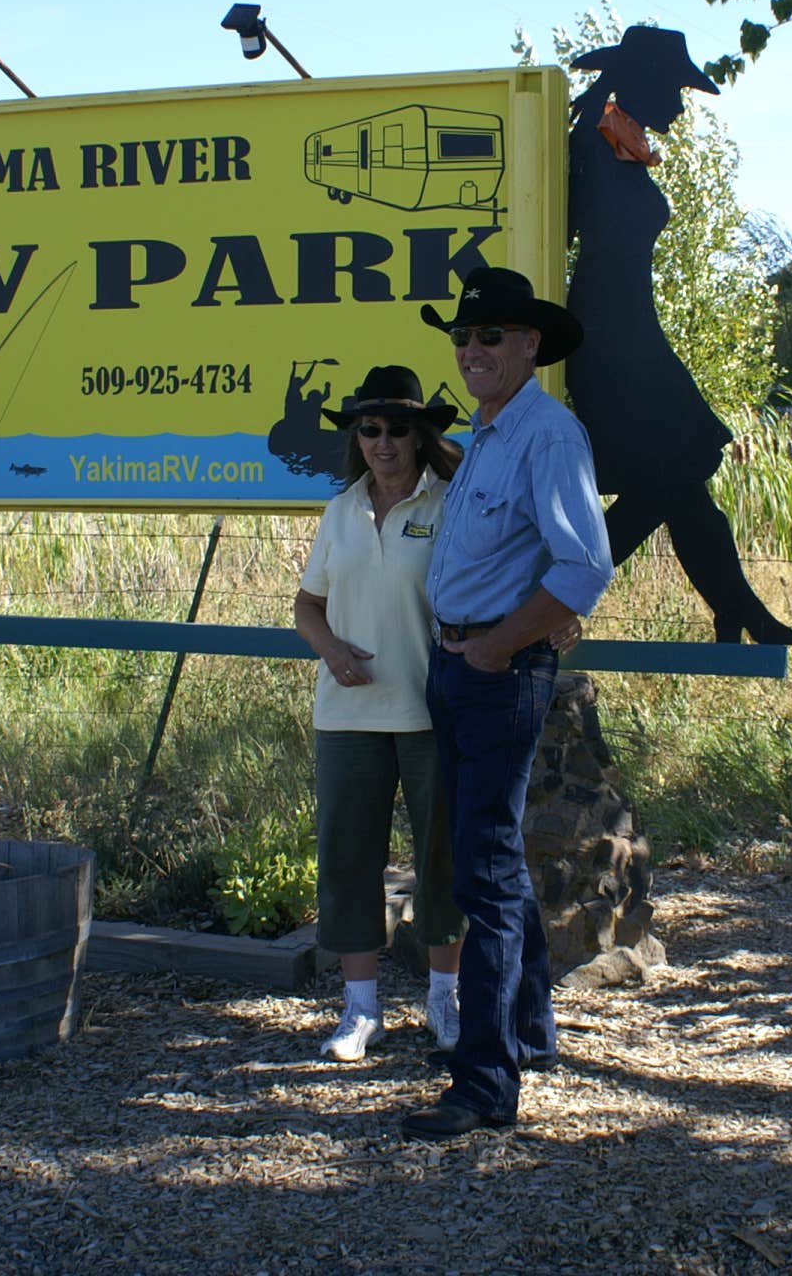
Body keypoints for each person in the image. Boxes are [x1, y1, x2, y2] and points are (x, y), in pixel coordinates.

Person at [401, 266, 614, 1141]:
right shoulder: (491, 433)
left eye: (492, 336)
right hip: (457, 662)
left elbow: (583, 570)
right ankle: (527, 1031)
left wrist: (501, 643)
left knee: (483, 871)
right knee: (490, 857)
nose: (473, 349)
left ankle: (484, 1082)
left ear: (530, 345)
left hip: (495, 668)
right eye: (463, 336)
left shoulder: (548, 435)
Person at [565, 25, 792, 644]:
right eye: (674, 88)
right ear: (640, 81)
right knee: (671, 475)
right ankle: (556, 597)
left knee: (684, 480)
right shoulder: (592, 142)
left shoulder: (618, 139)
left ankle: (736, 608)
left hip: (631, 327)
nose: (679, 103)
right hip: (607, 336)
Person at [293, 365, 467, 1061]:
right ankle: (361, 1011)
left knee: (443, 860)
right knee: (348, 859)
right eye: (370, 428)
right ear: (356, 436)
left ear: (421, 435)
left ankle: (444, 1000)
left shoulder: (452, 503)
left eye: (398, 428)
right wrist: (330, 647)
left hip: (433, 711)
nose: (384, 441)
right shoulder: (340, 510)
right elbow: (307, 605)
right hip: (348, 716)